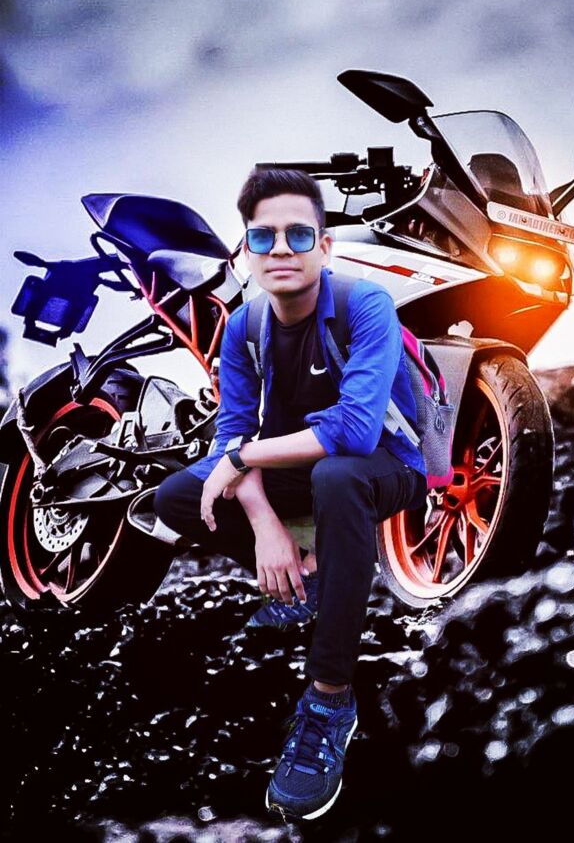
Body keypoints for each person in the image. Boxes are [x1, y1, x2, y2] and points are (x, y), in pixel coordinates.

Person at [154, 167, 427, 821]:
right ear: (246, 251)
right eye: (263, 236)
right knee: (177, 495)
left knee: (337, 476)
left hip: (385, 465)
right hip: (291, 472)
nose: (281, 248)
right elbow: (230, 431)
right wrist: (263, 522)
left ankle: (330, 699)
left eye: (299, 234)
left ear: (324, 247)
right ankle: (306, 579)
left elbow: (354, 431)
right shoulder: (244, 326)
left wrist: (242, 458)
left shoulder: (366, 305)